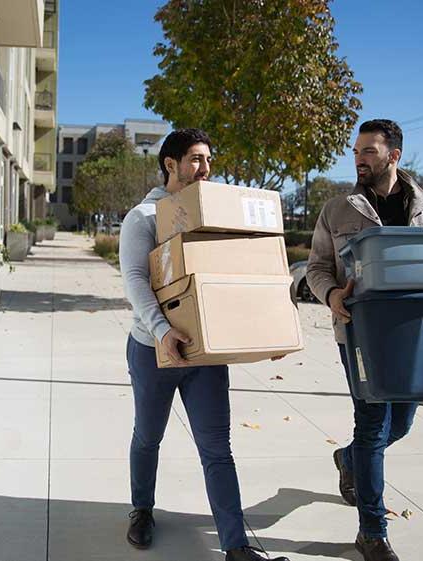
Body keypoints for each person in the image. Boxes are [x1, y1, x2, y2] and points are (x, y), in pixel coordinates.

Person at [119, 128, 288, 561]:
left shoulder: (208, 214)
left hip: (205, 353)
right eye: (196, 159)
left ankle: (235, 546)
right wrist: (162, 331)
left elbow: (234, 275)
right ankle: (142, 509)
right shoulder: (143, 217)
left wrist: (266, 330)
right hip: (153, 348)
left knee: (217, 448)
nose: (206, 169)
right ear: (170, 164)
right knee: (148, 436)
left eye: (208, 160)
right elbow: (136, 282)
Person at [305, 119, 423, 561]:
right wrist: (331, 295)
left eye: (369, 150)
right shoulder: (337, 210)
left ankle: (348, 460)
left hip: (415, 336)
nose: (359, 158)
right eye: (356, 150)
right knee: (371, 426)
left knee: (401, 424)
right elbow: (316, 267)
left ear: (394, 156)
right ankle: (372, 531)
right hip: (360, 335)